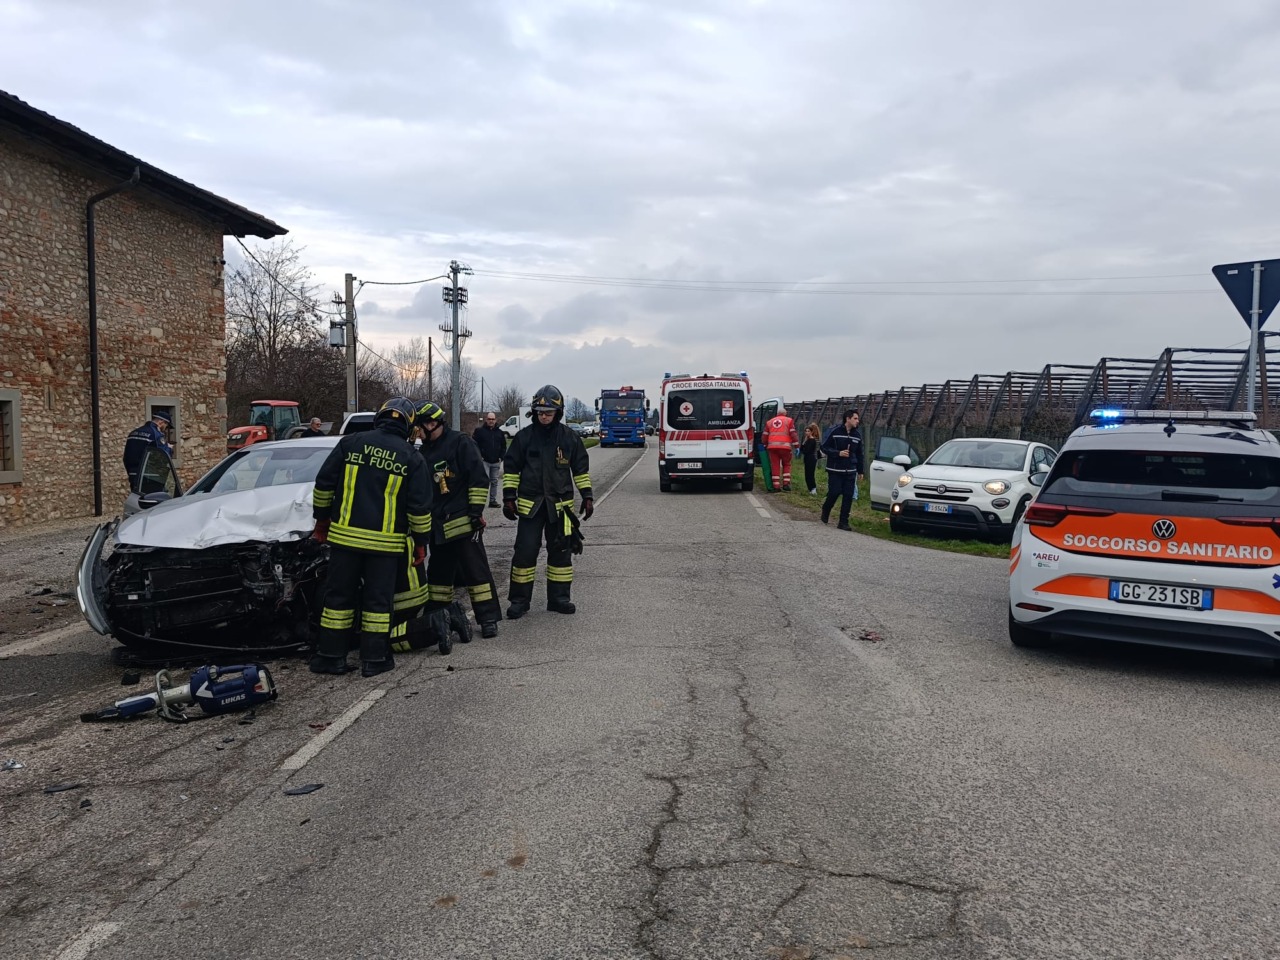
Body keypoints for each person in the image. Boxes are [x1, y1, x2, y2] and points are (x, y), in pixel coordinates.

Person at [309, 397, 432, 677]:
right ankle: (374, 660)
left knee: (338, 599)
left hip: (345, 542)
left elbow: (324, 485)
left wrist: (321, 522)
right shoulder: (411, 457)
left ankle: (330, 657)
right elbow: (419, 508)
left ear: (379, 418)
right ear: (409, 426)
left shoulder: (350, 444)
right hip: (384, 547)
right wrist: (420, 543)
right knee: (378, 603)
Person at [502, 385, 593, 618]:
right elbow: (511, 470)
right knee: (524, 553)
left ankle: (559, 599)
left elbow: (580, 470)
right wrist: (509, 498)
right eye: (540, 412)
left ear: (558, 413)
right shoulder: (524, 438)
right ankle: (519, 601)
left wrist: (587, 496)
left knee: (561, 553)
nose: (544, 416)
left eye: (548, 412)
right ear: (534, 412)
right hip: (531, 507)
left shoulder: (569, 438)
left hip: (561, 509)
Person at [415, 400, 504, 640]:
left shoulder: (461, 442)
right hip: (438, 527)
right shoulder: (423, 452)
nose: (418, 433)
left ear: (432, 424)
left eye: (419, 427)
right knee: (439, 575)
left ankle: (488, 619)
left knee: (476, 572)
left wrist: (475, 512)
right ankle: (437, 617)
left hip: (464, 522)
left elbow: (478, 478)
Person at [820, 409, 864, 531]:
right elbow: (824, 447)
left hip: (850, 470)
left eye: (858, 419)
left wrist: (860, 471)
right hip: (835, 469)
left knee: (848, 496)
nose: (857, 421)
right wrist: (838, 453)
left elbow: (860, 454)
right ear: (848, 419)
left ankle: (843, 522)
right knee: (834, 492)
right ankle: (826, 509)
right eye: (855, 418)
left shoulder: (857, 435)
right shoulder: (835, 432)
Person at [123, 410, 173, 488]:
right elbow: (164, 455)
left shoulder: (133, 433)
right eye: (166, 425)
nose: (165, 429)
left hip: (133, 474)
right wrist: (169, 448)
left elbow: (127, 456)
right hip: (150, 476)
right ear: (161, 422)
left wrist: (130, 471)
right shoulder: (156, 434)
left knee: (136, 494)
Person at [473, 411, 507, 508]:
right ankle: (480, 502)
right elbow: (474, 445)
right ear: (486, 420)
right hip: (484, 461)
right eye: (489, 419)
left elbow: (503, 446)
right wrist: (479, 456)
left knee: (494, 482)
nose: (491, 421)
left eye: (493, 419)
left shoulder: (500, 433)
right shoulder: (479, 431)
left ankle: (492, 501)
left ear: (495, 420)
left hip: (496, 462)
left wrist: (501, 457)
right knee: (483, 481)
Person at [762, 406, 799, 492]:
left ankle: (776, 486)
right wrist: (797, 446)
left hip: (772, 448)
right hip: (785, 447)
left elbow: (765, 435)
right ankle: (786, 484)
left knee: (775, 465)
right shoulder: (789, 421)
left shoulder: (769, 422)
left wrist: (765, 444)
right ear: (785, 414)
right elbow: (793, 434)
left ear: (777, 414)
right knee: (786, 464)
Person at [800, 422, 822, 495]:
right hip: (809, 458)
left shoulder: (813, 440)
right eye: (806, 431)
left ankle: (813, 488)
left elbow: (807, 450)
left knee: (810, 474)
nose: (807, 433)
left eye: (808, 431)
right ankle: (811, 488)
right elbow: (803, 449)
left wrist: (804, 448)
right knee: (808, 474)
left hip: (812, 458)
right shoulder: (809, 439)